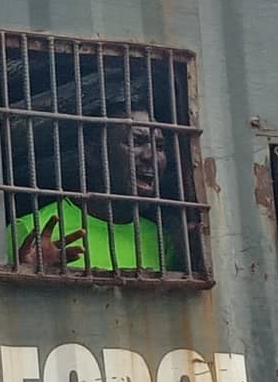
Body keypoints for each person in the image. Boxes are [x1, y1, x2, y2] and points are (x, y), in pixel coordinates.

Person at [9, 98, 177, 271]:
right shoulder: (29, 229)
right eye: (136, 142)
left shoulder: (164, 241)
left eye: (160, 147)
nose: (152, 156)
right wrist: (29, 273)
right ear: (94, 153)